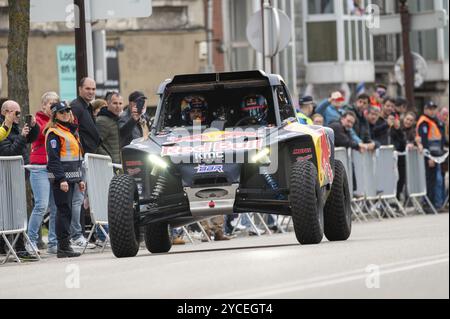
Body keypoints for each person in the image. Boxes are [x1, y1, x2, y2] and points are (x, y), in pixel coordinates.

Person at [45, 101, 85, 258]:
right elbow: (53, 160)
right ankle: (63, 246)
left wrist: (79, 178)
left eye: (67, 111)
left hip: (71, 179)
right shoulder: (54, 133)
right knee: (63, 211)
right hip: (61, 180)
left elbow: (76, 158)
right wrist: (61, 179)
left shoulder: (69, 131)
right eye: (62, 112)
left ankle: (65, 246)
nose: (66, 114)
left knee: (66, 212)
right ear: (55, 116)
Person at [0, 100, 40, 257]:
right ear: (5, 112)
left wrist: (34, 127)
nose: (18, 115)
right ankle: (19, 248)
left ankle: (9, 246)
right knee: (12, 213)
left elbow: (30, 140)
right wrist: (22, 137)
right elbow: (9, 153)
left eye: (19, 112)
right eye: (15, 112)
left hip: (17, 176)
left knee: (15, 212)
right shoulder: (3, 130)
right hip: (7, 177)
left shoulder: (14, 128)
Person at [27, 92, 60, 255]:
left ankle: (53, 242)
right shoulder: (37, 120)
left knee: (55, 206)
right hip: (39, 168)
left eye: (56, 103)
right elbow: (41, 134)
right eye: (51, 104)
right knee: (41, 205)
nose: (53, 106)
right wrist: (54, 121)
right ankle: (30, 241)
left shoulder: (58, 121)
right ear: (43, 106)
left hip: (53, 168)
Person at [416, 101, 447, 211]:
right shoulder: (424, 123)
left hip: (437, 156)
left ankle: (435, 204)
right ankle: (428, 204)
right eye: (430, 108)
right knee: (430, 181)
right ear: (425, 109)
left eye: (433, 108)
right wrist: (429, 157)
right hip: (429, 157)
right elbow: (424, 142)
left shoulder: (433, 122)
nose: (432, 111)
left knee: (435, 181)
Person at [70, 77, 100, 154]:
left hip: (89, 154)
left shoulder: (88, 106)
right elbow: (71, 132)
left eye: (93, 89)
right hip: (82, 155)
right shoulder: (76, 106)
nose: (91, 92)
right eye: (87, 89)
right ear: (80, 89)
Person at [96, 92, 124, 164]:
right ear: (108, 103)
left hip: (116, 164)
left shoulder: (116, 119)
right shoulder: (102, 121)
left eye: (120, 103)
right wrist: (108, 158)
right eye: (115, 103)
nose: (118, 106)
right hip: (107, 165)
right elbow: (96, 145)